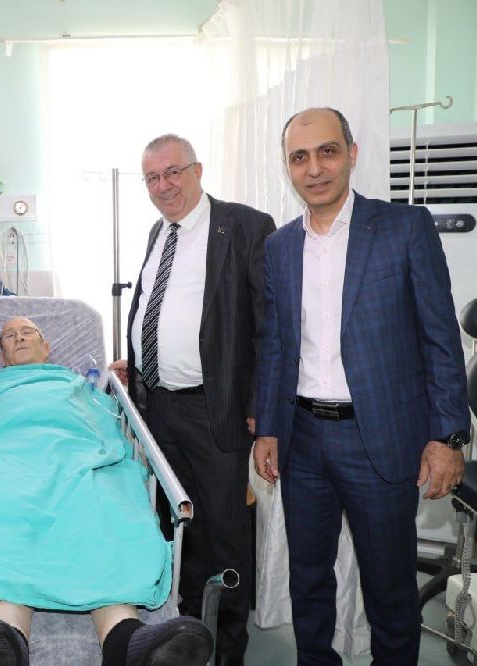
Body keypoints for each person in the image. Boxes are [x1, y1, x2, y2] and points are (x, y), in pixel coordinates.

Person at [252, 107, 470, 665]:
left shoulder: (404, 228)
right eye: (299, 157)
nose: (314, 168)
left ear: (351, 153)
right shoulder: (279, 247)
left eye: (327, 151)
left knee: (389, 587)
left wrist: (448, 437)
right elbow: (275, 344)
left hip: (378, 438)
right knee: (308, 580)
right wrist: (268, 428)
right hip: (302, 439)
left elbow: (440, 338)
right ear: (287, 168)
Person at [0, 317, 214, 666]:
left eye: (28, 332)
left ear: (46, 348)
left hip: (75, 455)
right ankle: (4, 639)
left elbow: (102, 428)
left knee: (103, 508)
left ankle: (125, 642)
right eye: (10, 336)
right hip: (7, 458)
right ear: (3, 358)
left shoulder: (74, 385)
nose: (19, 337)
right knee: (2, 508)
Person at [112, 133, 275, 665]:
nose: (163, 186)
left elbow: (269, 325)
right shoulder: (158, 232)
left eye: (173, 172)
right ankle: (184, 633)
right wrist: (138, 363)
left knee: (225, 532)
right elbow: (157, 309)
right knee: (178, 525)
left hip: (215, 408)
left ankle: (227, 648)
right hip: (158, 407)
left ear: (198, 170)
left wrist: (261, 406)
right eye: (152, 178)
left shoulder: (244, 226)